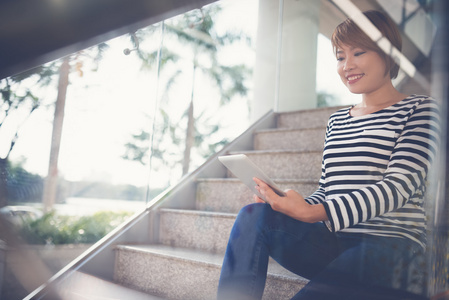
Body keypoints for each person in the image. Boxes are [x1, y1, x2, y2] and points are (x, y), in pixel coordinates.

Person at [217, 10, 440, 300]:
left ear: (388, 54)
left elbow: (397, 188)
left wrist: (311, 212)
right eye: (339, 56)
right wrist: (289, 204)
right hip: (336, 242)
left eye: (358, 52)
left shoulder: (422, 110)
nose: (347, 65)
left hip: (392, 248)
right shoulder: (337, 121)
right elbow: (327, 191)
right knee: (255, 215)